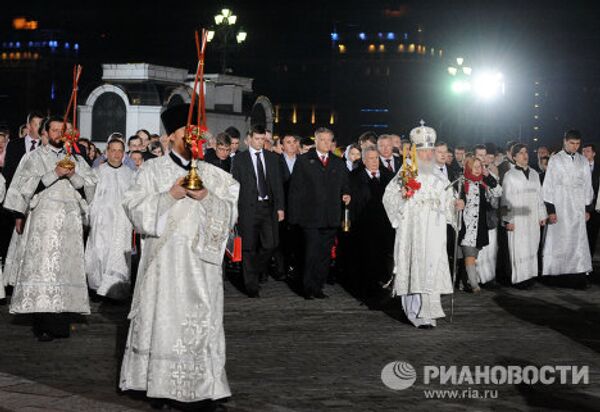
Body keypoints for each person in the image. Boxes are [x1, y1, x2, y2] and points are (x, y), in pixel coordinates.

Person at [119, 104, 239, 406]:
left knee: (201, 322)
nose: (194, 137)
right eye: (188, 132)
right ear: (170, 138)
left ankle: (202, 386)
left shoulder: (216, 175)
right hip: (164, 265)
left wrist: (208, 198)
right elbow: (134, 209)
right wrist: (169, 195)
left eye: (198, 132)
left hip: (202, 267)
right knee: (163, 320)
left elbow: (231, 216)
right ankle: (156, 383)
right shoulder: (151, 171)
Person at [3, 116, 96, 341]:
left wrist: (72, 174)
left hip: (70, 224)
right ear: (46, 133)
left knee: (64, 269)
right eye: (54, 130)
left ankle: (61, 324)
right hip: (42, 224)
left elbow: (91, 187)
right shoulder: (34, 157)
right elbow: (21, 188)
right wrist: (54, 174)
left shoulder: (77, 159)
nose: (58, 134)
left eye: (61, 131)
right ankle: (42, 325)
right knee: (43, 270)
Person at [383, 122, 463, 328]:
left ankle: (430, 314)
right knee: (414, 267)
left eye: (430, 151)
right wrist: (401, 198)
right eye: (423, 151)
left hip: (435, 233)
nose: (427, 155)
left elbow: (448, 203)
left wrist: (456, 205)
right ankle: (414, 313)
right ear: (416, 152)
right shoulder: (406, 174)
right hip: (413, 231)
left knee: (431, 268)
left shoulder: (439, 177)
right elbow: (388, 198)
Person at [288, 127, 351, 299]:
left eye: (328, 140)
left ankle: (318, 287)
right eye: (321, 139)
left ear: (332, 142)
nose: (325, 143)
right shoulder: (303, 160)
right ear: (316, 141)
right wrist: (293, 217)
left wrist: (346, 194)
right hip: (310, 218)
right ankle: (307, 288)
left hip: (331, 217)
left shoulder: (339, 162)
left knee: (324, 255)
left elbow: (345, 184)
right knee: (311, 253)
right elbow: (295, 190)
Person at [231, 125, 284, 297]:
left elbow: (277, 185)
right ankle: (251, 286)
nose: (260, 142)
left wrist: (280, 207)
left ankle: (255, 270)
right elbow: (235, 186)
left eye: (263, 139)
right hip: (247, 209)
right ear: (249, 139)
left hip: (267, 208)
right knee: (249, 247)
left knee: (271, 244)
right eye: (257, 139)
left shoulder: (272, 158)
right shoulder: (240, 159)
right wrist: (235, 210)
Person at [85, 139, 135, 300]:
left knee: (119, 254)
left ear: (124, 153)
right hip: (102, 220)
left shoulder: (130, 174)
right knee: (100, 252)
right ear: (107, 152)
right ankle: (97, 287)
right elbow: (90, 196)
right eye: (113, 150)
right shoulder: (97, 172)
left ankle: (116, 290)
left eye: (120, 150)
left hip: (123, 222)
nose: (116, 154)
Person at [542, 130, 593, 286]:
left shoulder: (583, 161)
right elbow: (549, 185)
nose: (575, 147)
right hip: (560, 203)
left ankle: (577, 275)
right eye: (572, 143)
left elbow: (587, 185)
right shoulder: (555, 160)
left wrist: (587, 208)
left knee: (577, 240)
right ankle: (557, 275)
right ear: (565, 141)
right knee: (559, 239)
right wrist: (551, 210)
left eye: (578, 144)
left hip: (577, 206)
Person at [348, 146, 394, 300]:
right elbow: (352, 204)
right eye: (370, 159)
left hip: (385, 226)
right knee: (366, 258)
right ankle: (367, 289)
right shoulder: (354, 177)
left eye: (376, 158)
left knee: (383, 257)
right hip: (363, 226)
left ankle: (382, 285)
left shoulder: (389, 176)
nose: (374, 162)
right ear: (363, 160)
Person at [501, 143, 547, 286]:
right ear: (514, 157)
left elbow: (540, 195)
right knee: (519, 247)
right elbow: (505, 199)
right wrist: (508, 220)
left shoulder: (534, 174)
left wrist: (541, 215)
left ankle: (530, 276)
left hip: (532, 217)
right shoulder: (510, 175)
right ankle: (520, 278)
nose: (524, 155)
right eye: (520, 153)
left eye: (526, 152)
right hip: (517, 219)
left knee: (532, 245)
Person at [459, 156, 502, 292]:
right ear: (468, 168)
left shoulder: (484, 182)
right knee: (469, 254)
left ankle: (463, 281)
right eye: (475, 167)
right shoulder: (461, 182)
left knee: (473, 254)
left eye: (480, 167)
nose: (478, 170)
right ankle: (473, 284)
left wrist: (488, 176)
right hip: (466, 226)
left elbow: (499, 191)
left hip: (480, 226)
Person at [473, 144, 501, 285]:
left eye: (484, 155)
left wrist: (488, 177)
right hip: (474, 218)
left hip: (489, 216)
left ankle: (489, 277)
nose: (482, 158)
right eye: (479, 155)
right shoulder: (468, 173)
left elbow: (498, 192)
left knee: (491, 248)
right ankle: (475, 278)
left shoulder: (491, 174)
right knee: (478, 250)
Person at [3, 111, 44, 187]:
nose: (40, 129)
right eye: (36, 125)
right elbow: (8, 171)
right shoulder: (13, 145)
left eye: (41, 125)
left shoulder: (45, 146)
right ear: (28, 126)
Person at [583, 143, 600, 257]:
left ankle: (589, 261)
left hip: (596, 208)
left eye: (588, 151)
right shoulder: (577, 168)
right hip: (581, 208)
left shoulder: (598, 168)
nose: (584, 153)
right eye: (583, 151)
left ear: (594, 153)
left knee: (592, 235)